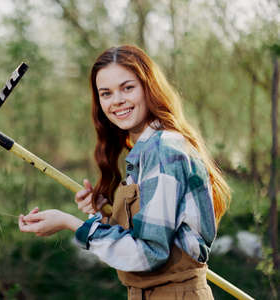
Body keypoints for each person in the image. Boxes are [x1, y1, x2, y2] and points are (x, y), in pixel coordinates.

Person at [18, 45, 231, 299]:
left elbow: (148, 253)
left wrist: (70, 224)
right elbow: (139, 237)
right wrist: (103, 213)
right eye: (105, 93)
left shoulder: (164, 149)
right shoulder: (144, 152)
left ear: (148, 87)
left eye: (127, 87)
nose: (117, 100)